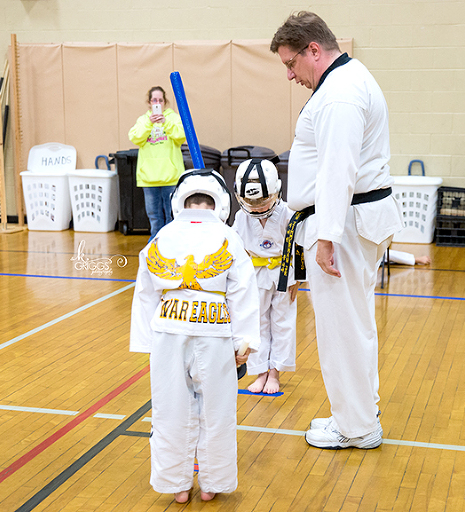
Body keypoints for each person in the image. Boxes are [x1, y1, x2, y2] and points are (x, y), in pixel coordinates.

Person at [270, 11, 404, 449]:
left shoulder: (340, 93)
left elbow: (337, 170)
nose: (290, 75)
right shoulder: (345, 82)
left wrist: (326, 235)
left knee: (342, 328)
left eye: (291, 64)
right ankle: (359, 411)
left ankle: (357, 427)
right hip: (351, 220)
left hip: (343, 225)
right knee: (356, 323)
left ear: (314, 50)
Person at [130, 168, 260, 503]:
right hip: (214, 331)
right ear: (220, 204)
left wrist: (146, 342)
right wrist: (244, 344)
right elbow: (244, 292)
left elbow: (145, 292)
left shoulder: (160, 238)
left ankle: (177, 485)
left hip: (168, 330)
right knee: (217, 412)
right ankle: (212, 483)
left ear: (178, 202)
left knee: (169, 409)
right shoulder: (229, 239)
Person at [232, 159, 299, 394]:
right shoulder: (241, 217)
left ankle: (275, 373)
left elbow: (300, 246)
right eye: (252, 202)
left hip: (284, 274)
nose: (258, 206)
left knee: (283, 323)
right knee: (257, 323)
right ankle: (260, 371)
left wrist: (299, 278)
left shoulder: (288, 213)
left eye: (263, 201)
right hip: (254, 274)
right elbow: (234, 248)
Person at [128, 86, 187, 240]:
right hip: (149, 178)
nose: (157, 103)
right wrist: (149, 124)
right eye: (154, 100)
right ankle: (155, 245)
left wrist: (165, 123)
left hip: (171, 177)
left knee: (172, 215)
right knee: (154, 217)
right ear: (149, 102)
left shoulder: (173, 118)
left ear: (165, 101)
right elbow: (135, 137)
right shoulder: (143, 120)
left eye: (160, 100)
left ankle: (172, 243)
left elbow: (181, 136)